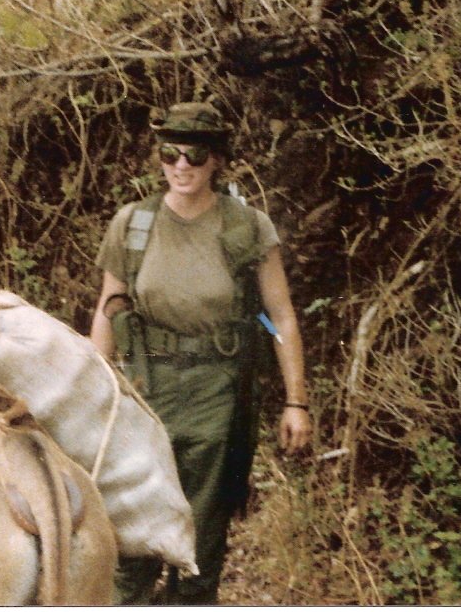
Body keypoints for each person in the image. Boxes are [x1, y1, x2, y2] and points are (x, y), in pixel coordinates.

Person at [90, 102, 313, 605]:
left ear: (216, 159)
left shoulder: (246, 227)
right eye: (170, 153)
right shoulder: (133, 224)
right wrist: (94, 393)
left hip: (218, 393)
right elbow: (107, 311)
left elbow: (281, 317)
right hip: (144, 390)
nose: (181, 165)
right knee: (134, 529)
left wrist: (296, 402)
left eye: (195, 154)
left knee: (202, 533)